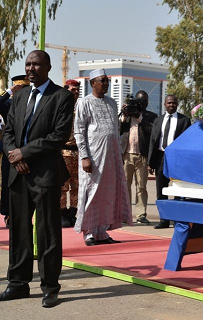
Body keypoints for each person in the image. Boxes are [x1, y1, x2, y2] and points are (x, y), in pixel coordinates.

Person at [0, 50, 74, 307]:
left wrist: (25, 153)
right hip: (17, 175)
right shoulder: (19, 97)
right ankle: (18, 284)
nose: (31, 68)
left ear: (48, 67)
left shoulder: (62, 97)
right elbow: (8, 132)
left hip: (45, 175)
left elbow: (59, 135)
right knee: (19, 231)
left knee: (48, 234)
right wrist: (15, 157)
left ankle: (50, 288)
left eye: (36, 64)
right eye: (28, 64)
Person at [74, 69, 132, 246]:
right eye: (102, 81)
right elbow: (79, 131)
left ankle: (102, 232)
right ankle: (89, 233)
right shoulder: (84, 103)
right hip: (93, 155)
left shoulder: (112, 103)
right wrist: (84, 156)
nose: (106, 84)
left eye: (107, 81)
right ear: (93, 83)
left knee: (108, 193)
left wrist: (118, 154)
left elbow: (115, 131)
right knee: (91, 192)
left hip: (111, 155)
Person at [148, 94, 191, 229]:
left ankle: (178, 219)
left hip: (177, 158)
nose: (171, 105)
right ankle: (164, 220)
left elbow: (187, 142)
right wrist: (150, 162)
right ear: (164, 104)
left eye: (174, 103)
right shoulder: (158, 120)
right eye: (169, 103)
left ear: (177, 104)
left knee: (178, 190)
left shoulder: (184, 120)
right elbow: (153, 141)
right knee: (161, 189)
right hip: (161, 157)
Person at [119, 90, 157, 224]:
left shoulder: (151, 116)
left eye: (145, 101)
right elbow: (120, 129)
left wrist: (139, 117)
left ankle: (141, 215)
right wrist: (124, 115)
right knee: (125, 186)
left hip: (142, 156)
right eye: (141, 101)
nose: (143, 104)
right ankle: (125, 214)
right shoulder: (128, 113)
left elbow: (152, 131)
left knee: (141, 187)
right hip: (127, 155)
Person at [0, 75, 30, 228]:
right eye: (21, 88)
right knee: (9, 182)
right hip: (10, 150)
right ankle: (9, 213)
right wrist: (8, 92)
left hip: (28, 149)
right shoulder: (8, 104)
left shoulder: (34, 103)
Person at [60, 79, 81, 227]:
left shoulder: (80, 108)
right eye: (73, 89)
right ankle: (62, 214)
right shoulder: (59, 108)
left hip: (79, 153)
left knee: (77, 185)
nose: (76, 92)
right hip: (63, 152)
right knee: (62, 185)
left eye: (77, 90)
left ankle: (73, 213)